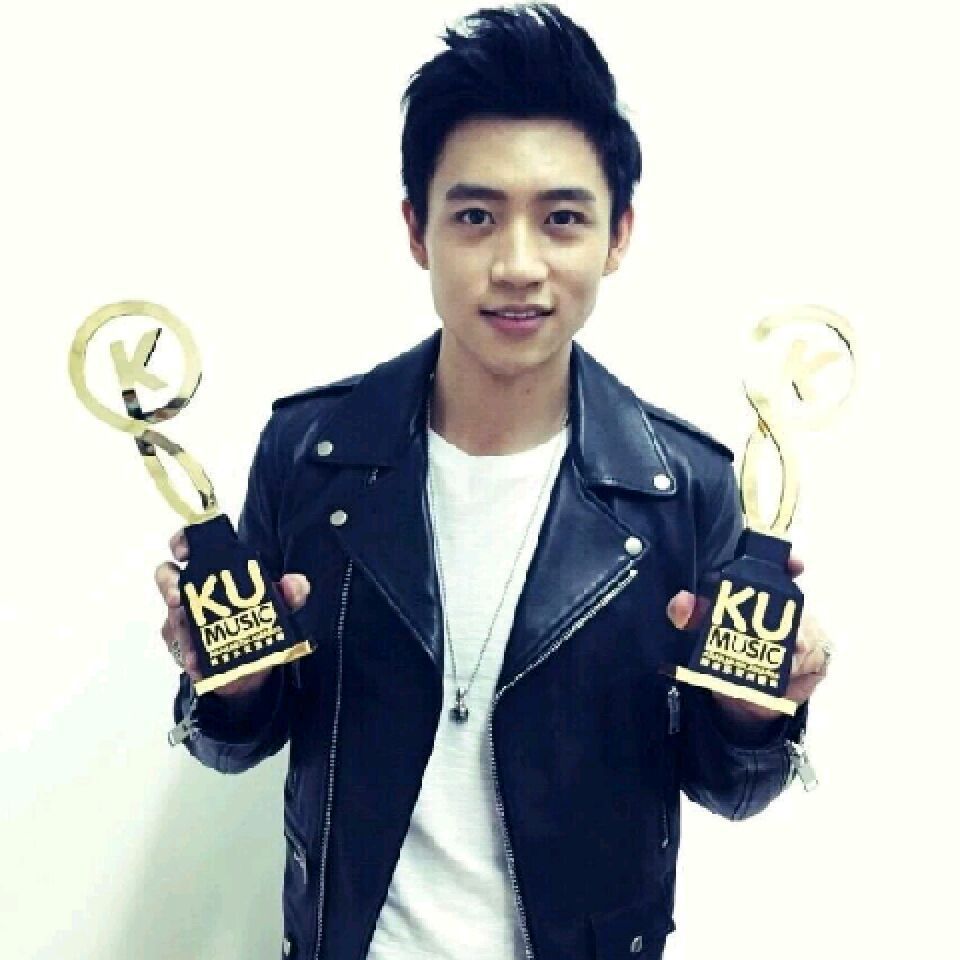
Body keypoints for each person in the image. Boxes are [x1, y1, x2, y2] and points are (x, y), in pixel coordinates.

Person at [156, 5, 831, 958]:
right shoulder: (312, 454)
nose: (518, 266)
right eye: (476, 216)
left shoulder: (686, 486)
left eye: (562, 219)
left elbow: (730, 786)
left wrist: (756, 712)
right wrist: (224, 686)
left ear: (618, 235)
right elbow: (243, 739)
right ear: (417, 230)